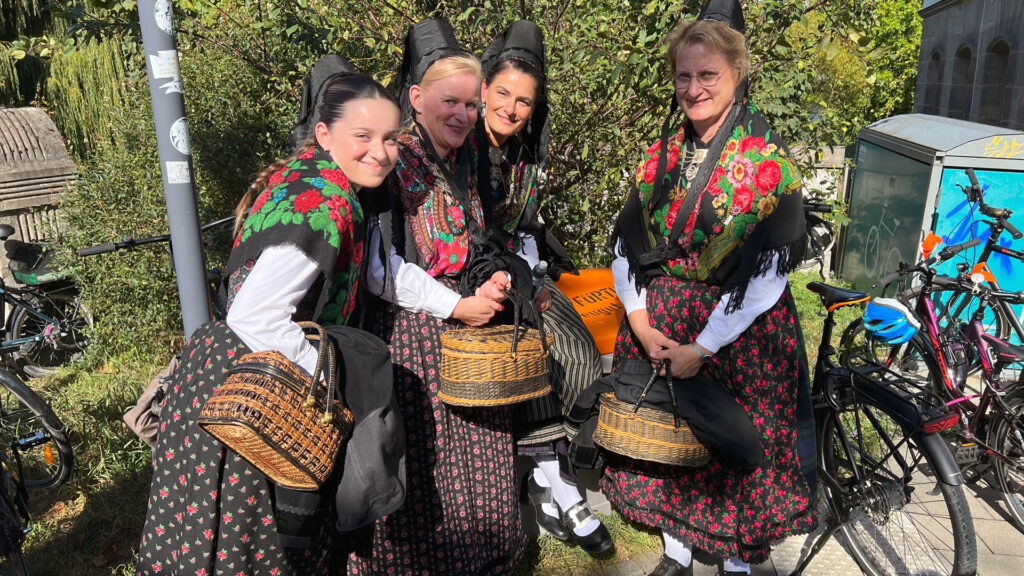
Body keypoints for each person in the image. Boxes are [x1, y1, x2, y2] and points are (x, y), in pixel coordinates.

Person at [135, 73, 402, 576]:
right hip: (255, 387)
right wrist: (328, 388)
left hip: (226, 371)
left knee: (207, 542)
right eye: (363, 137)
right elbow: (256, 315)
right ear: (325, 135)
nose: (380, 152)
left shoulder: (305, 176)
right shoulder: (326, 201)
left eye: (390, 138)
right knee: (254, 547)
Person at [605, 1, 817, 575]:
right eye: (684, 75)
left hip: (736, 333)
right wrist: (642, 323)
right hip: (659, 324)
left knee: (732, 448)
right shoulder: (661, 158)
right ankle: (677, 550)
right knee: (673, 442)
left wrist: (704, 347)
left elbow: (768, 273)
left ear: (737, 74)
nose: (693, 88)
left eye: (707, 75)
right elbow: (626, 245)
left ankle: (736, 562)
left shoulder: (769, 163)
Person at [350, 18, 527, 575]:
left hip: (467, 333)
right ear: (416, 97)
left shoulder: (463, 160)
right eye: (450, 102)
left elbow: (471, 244)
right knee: (432, 473)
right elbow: (380, 268)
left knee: (484, 465)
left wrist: (489, 279)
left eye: (472, 105)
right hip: (413, 340)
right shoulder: (392, 161)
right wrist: (455, 305)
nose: (463, 115)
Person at [476, 20, 611, 554]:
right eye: (504, 94)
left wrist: (535, 269)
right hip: (470, 276)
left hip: (518, 271)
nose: (511, 109)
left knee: (575, 349)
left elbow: (522, 223)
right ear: (483, 88)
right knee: (536, 352)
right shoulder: (461, 145)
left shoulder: (523, 154)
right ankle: (560, 488)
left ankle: (551, 480)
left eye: (525, 102)